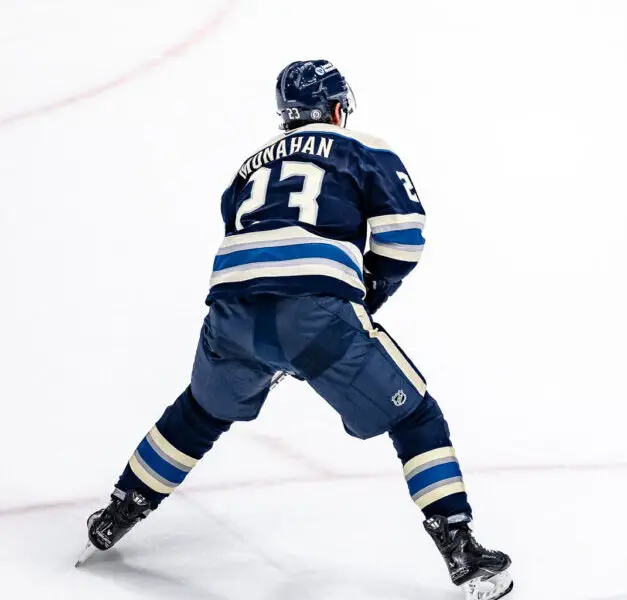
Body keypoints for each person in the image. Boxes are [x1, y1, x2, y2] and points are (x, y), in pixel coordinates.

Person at [77, 60, 513, 600]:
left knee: (201, 410)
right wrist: (361, 299)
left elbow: (242, 233)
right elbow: (405, 236)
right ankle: (460, 545)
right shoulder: (363, 149)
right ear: (337, 107)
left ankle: (120, 509)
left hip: (231, 311)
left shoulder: (246, 169)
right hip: (315, 313)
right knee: (415, 414)